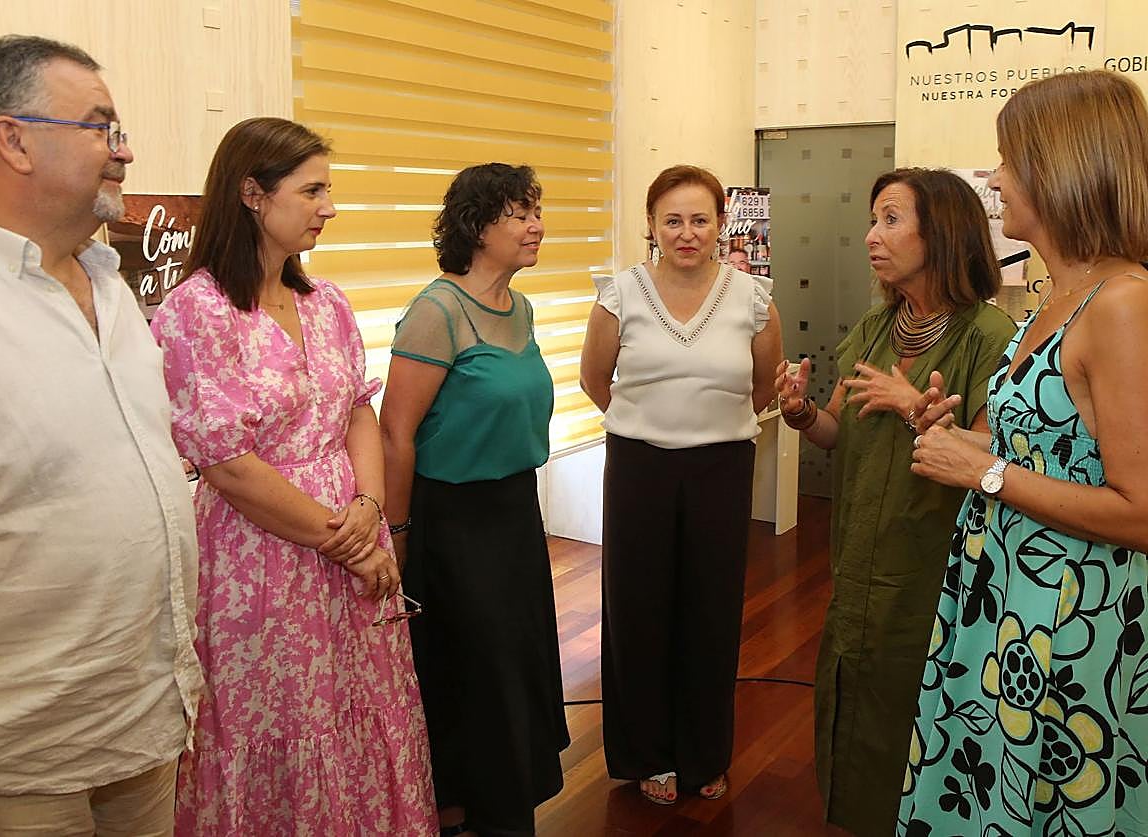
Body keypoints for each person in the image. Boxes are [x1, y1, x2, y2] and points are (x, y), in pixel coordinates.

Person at [150, 117, 436, 835]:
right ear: (252, 193)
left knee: (357, 711)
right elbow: (229, 466)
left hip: (350, 540)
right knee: (276, 721)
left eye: (327, 189)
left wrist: (369, 505)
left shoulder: (327, 301)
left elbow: (357, 413)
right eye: (312, 190)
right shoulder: (196, 311)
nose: (328, 206)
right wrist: (348, 541)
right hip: (261, 559)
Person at [0, 36, 202, 836]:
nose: (124, 152)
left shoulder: (110, 282)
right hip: (20, 748)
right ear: (12, 139)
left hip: (149, 710)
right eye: (101, 127)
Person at [898, 70, 1148, 835]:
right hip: (1007, 597)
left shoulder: (1124, 302)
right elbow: (1057, 448)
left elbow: (1140, 511)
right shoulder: (1058, 291)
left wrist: (985, 470)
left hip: (1070, 616)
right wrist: (962, 438)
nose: (996, 178)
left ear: (1061, 167)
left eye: (1007, 159)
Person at [774, 168, 1016, 836]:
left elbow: (1002, 461)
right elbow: (832, 426)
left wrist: (919, 410)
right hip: (857, 561)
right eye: (873, 220)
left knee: (917, 708)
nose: (870, 237)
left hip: (934, 570)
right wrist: (797, 414)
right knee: (854, 698)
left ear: (940, 233)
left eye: (889, 219)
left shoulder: (991, 336)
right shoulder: (878, 325)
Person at [580, 164, 783, 805]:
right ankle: (648, 754)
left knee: (711, 612)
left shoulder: (753, 298)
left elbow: (763, 384)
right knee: (638, 611)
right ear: (651, 227)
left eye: (700, 219)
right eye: (673, 220)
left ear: (722, 225)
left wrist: (712, 422)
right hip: (639, 466)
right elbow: (595, 380)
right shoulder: (620, 295)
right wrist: (648, 423)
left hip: (721, 467)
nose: (687, 233)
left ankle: (703, 755)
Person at [379, 162, 568, 837]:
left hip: (515, 510)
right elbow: (395, 433)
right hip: (453, 520)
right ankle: (470, 808)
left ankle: (496, 802)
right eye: (519, 213)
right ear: (476, 225)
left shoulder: (520, 308)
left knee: (513, 661)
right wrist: (396, 533)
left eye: (534, 211)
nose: (536, 225)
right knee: (475, 671)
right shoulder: (438, 310)